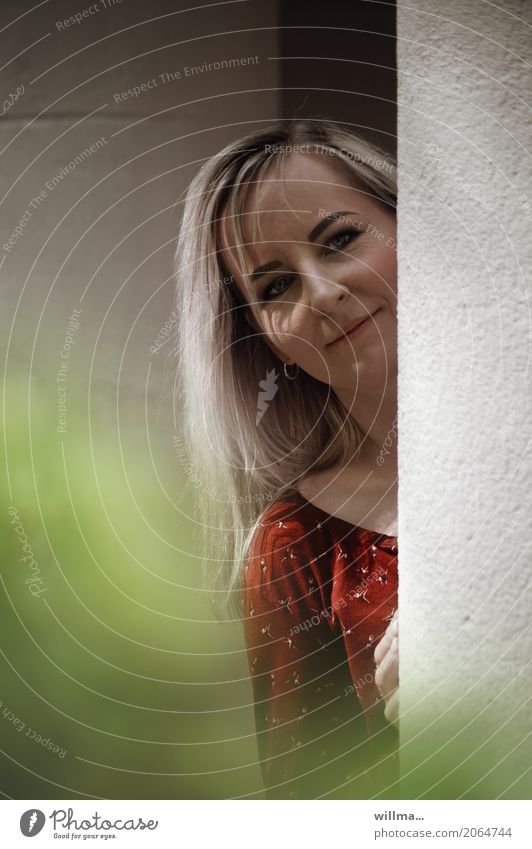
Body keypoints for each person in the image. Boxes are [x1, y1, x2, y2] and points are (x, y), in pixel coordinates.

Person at [173, 119, 399, 799]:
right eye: (274, 287)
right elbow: (309, 807)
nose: (321, 292)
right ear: (264, 339)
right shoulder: (292, 541)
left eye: (339, 241)